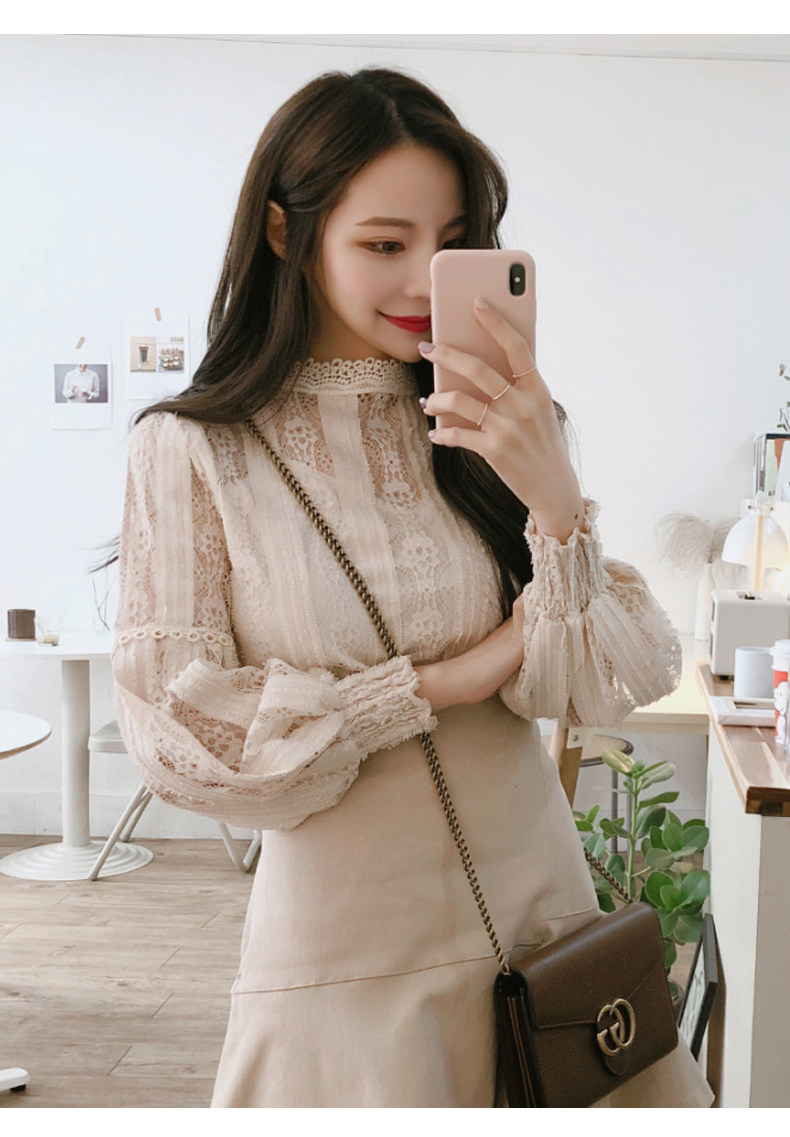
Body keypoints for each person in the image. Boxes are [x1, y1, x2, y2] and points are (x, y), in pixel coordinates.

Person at [111, 67, 713, 1108]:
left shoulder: (496, 425)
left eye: (451, 244)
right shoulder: (193, 449)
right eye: (386, 244)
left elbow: (593, 686)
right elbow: (180, 737)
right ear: (286, 233)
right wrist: (442, 681)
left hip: (542, 918)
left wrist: (554, 498)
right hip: (344, 951)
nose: (423, 282)